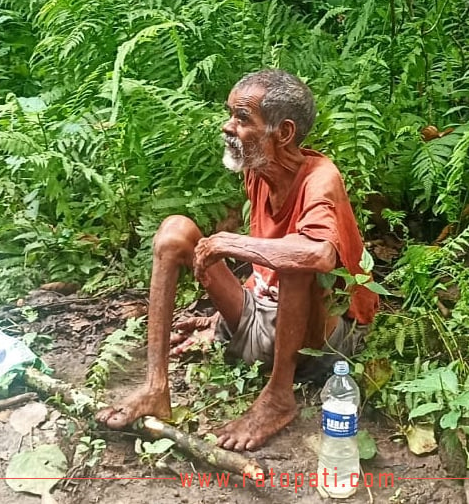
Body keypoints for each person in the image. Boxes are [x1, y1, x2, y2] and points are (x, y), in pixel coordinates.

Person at [95, 69, 380, 451]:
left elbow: (318, 254)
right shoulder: (258, 171)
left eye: (242, 118)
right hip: (261, 316)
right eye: (230, 114)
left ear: (284, 133)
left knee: (297, 257)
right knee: (175, 230)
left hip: (320, 344)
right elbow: (262, 258)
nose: (228, 126)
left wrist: (229, 242)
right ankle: (155, 387)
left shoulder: (320, 178)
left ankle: (279, 396)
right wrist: (221, 313)